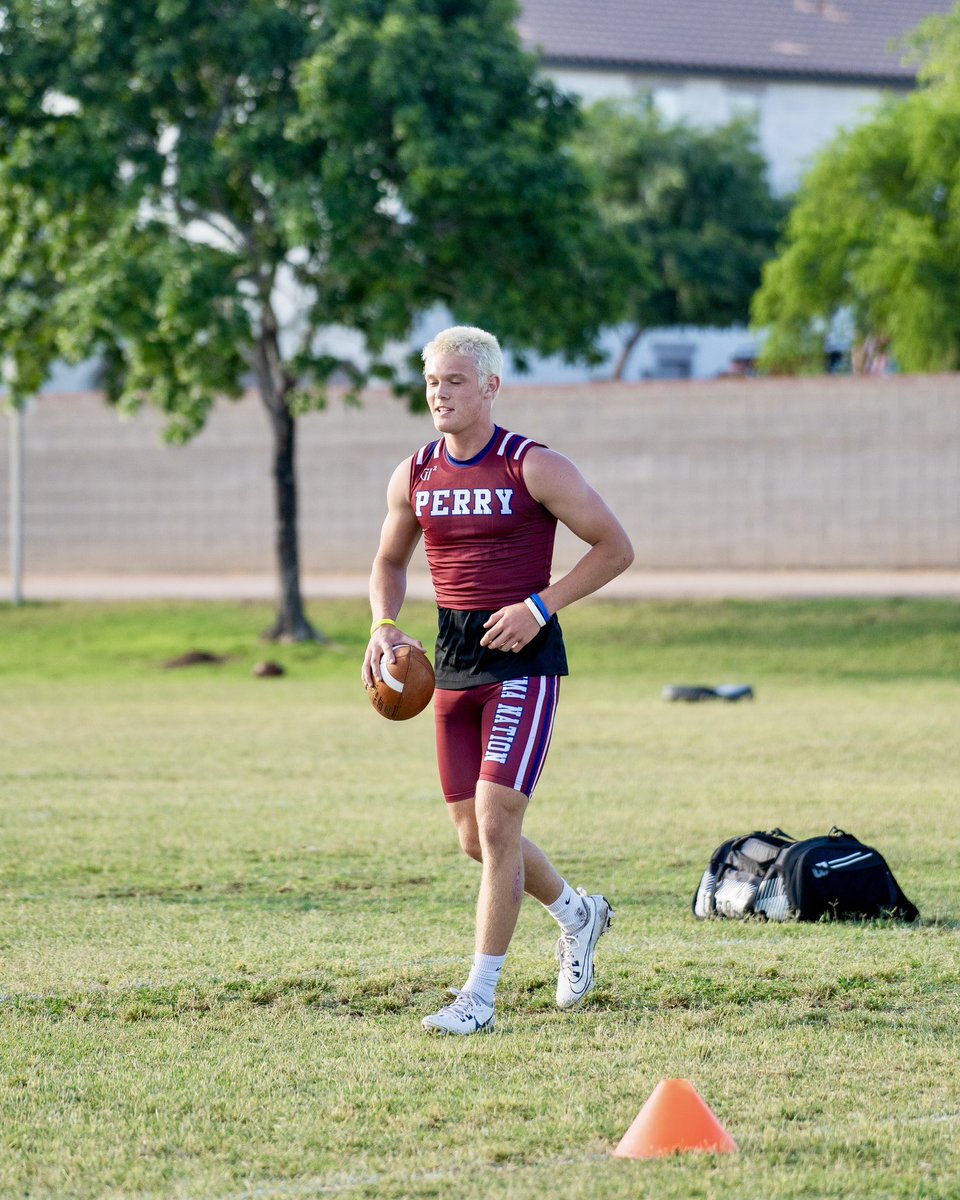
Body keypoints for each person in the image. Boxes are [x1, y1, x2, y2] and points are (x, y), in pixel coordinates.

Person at [362, 326, 634, 1035]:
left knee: (497, 820)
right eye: (431, 383)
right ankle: (580, 915)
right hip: (450, 661)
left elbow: (615, 548)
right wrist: (382, 623)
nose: (439, 395)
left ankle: (478, 1000)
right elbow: (389, 562)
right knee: (473, 839)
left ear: (489, 386)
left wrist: (540, 606)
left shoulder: (533, 466)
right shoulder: (415, 473)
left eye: (454, 382)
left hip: (523, 662)